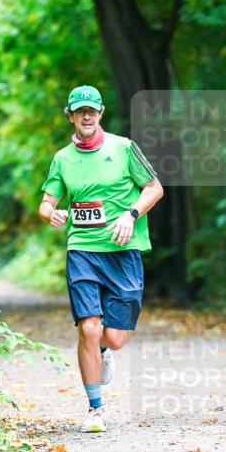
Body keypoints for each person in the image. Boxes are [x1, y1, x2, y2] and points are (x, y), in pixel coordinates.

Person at [39, 85, 164, 433]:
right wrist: (50, 212)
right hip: (82, 249)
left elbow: (155, 188)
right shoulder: (63, 158)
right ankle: (96, 409)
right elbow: (47, 201)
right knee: (89, 329)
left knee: (114, 338)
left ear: (101, 113)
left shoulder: (124, 148)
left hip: (123, 252)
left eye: (91, 110)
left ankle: (104, 353)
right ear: (70, 116)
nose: (87, 116)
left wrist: (130, 214)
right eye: (80, 111)